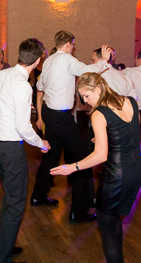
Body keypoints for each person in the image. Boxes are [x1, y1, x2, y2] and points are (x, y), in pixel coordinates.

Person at [51, 72, 141, 263]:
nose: (85, 101)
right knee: (114, 219)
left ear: (98, 90)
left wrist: (73, 167)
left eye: (87, 96)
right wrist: (107, 136)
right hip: (136, 170)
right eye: (82, 97)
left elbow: (101, 155)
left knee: (107, 227)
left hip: (117, 175)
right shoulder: (130, 101)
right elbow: (132, 130)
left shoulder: (99, 113)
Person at [32, 30, 111, 223]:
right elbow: (88, 71)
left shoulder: (48, 61)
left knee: (50, 156)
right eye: (72, 44)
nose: (73, 47)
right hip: (60, 117)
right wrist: (105, 60)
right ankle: (78, 211)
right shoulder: (66, 59)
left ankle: (38, 196)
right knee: (83, 159)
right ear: (68, 44)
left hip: (50, 114)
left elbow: (40, 86)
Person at [0, 38, 50, 263]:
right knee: (15, 203)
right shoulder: (23, 84)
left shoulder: (3, 74)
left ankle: (4, 245)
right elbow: (23, 128)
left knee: (10, 198)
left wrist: (15, 108)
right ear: (38, 60)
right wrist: (42, 143)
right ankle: (1, 258)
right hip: (9, 148)